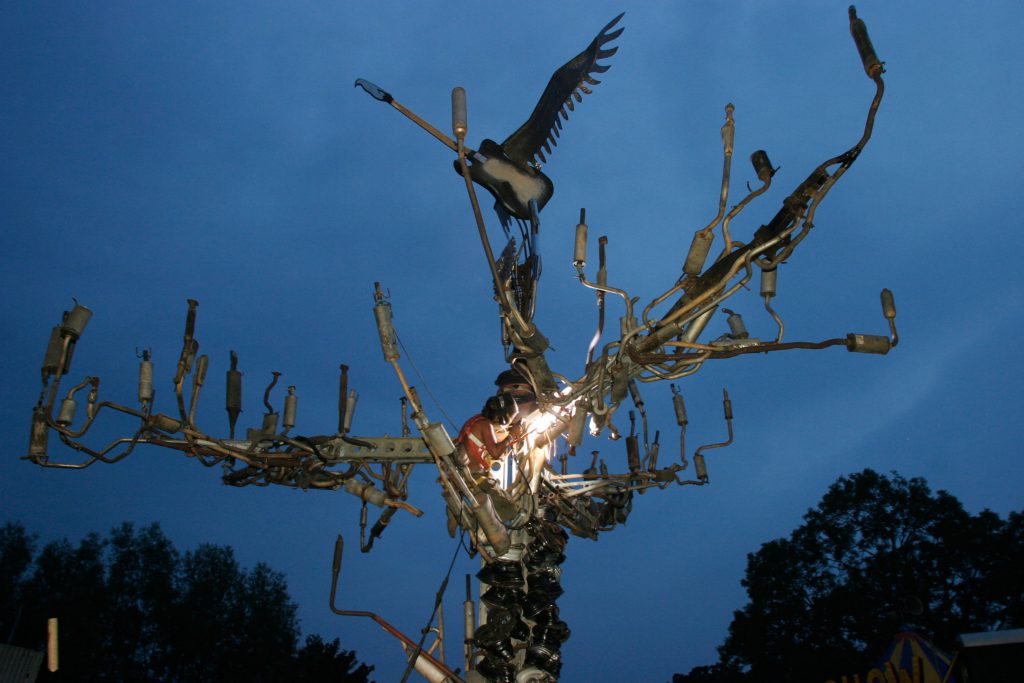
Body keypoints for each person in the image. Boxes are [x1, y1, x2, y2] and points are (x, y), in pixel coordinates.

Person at [456, 394, 521, 475]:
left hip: (464, 473)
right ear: (502, 416)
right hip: (473, 474)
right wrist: (511, 435)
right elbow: (495, 453)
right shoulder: (485, 424)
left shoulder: (475, 421)